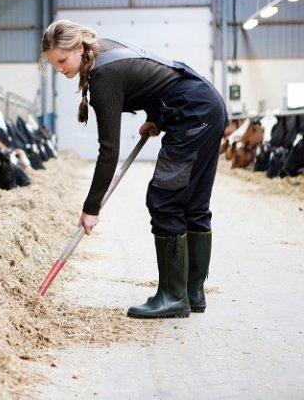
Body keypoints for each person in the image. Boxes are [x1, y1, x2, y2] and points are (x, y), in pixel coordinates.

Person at [40, 20, 227, 319]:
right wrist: (157, 117)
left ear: (79, 48)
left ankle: (172, 296)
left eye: (62, 61)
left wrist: (92, 207)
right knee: (193, 204)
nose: (60, 69)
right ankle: (192, 293)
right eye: (54, 65)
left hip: (193, 113)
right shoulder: (103, 50)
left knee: (165, 199)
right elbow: (156, 78)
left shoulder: (103, 75)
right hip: (203, 104)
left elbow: (109, 151)